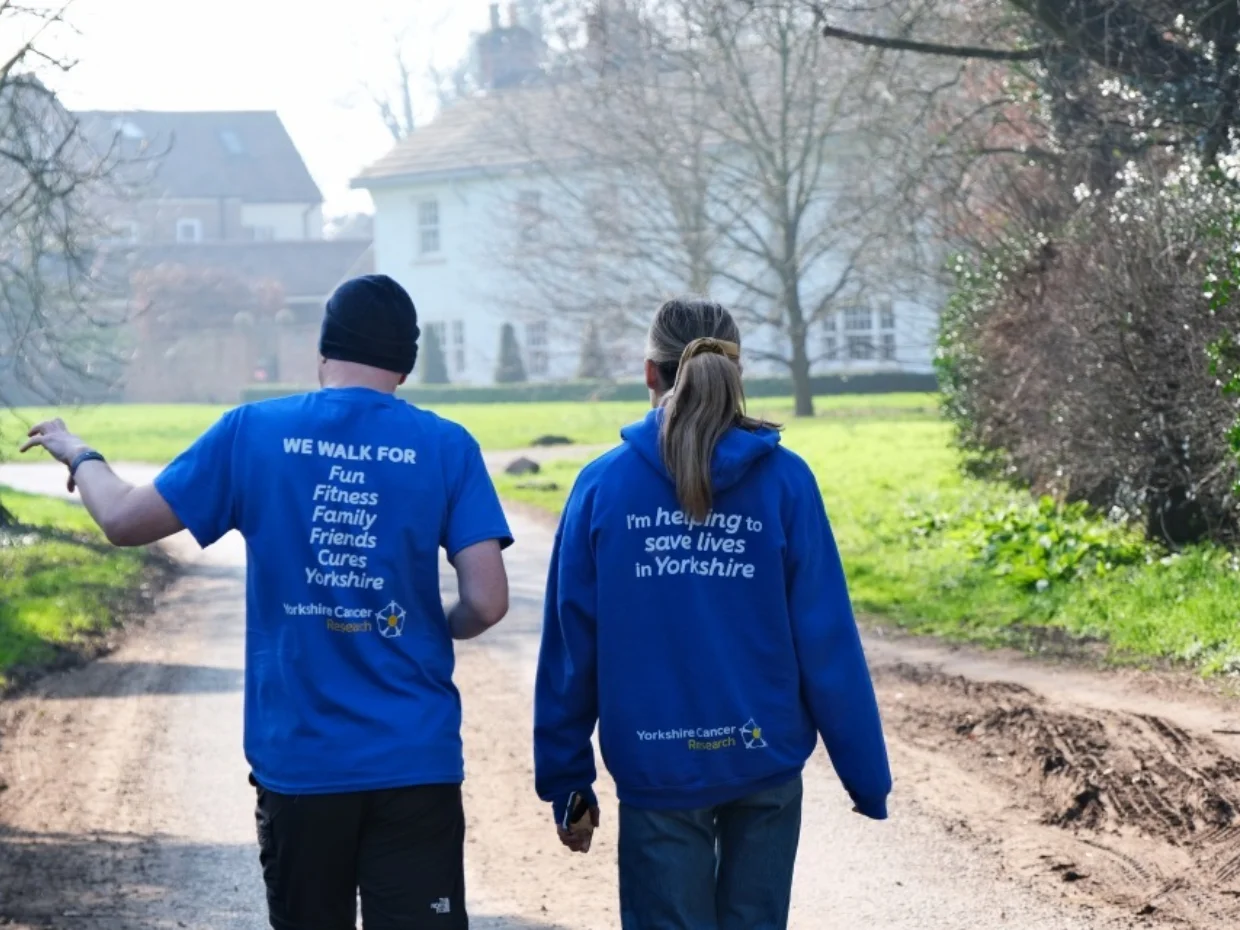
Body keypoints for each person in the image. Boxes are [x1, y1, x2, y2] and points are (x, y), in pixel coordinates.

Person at [21, 274, 513, 930]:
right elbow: (486, 602)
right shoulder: (448, 445)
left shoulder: (254, 432)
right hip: (414, 758)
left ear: (323, 352)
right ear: (405, 362)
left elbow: (124, 521)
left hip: (302, 762)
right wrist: (435, 624)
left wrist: (81, 455)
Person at [533, 297, 891, 930]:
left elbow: (571, 647)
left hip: (656, 766)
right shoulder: (786, 482)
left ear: (651, 374)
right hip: (763, 761)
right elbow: (826, 637)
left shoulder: (602, 486)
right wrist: (865, 775)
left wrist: (568, 779)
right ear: (737, 372)